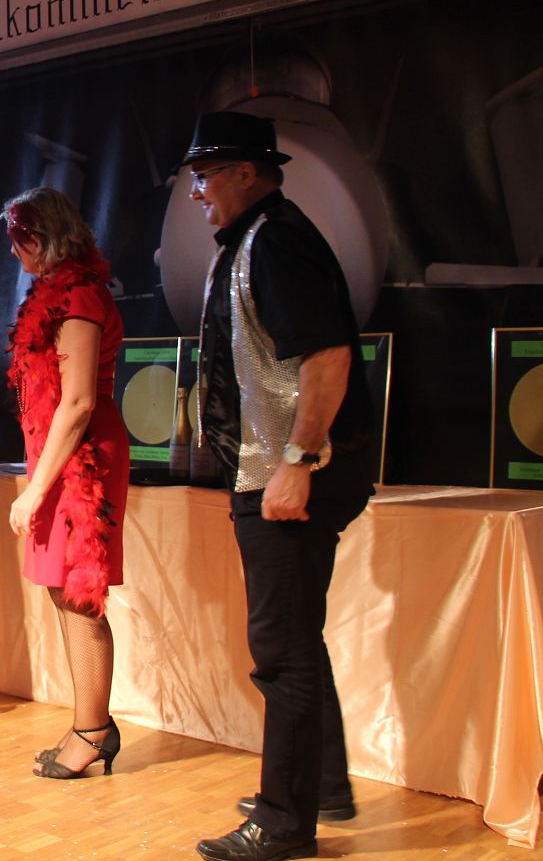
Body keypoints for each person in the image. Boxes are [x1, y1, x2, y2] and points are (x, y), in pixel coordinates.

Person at [180, 112, 377, 861]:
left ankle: (285, 821)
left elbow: (328, 355)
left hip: (290, 473)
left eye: (206, 176)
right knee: (294, 636)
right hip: (271, 470)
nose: (197, 192)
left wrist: (297, 460)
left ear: (247, 173)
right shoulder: (254, 241)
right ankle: (321, 786)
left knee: (281, 648)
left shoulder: (277, 242)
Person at [1, 188, 130, 778]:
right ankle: (89, 722)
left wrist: (35, 490)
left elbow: (77, 403)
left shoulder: (80, 294)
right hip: (55, 454)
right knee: (62, 590)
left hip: (83, 461)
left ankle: (93, 731)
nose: (14, 251)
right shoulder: (50, 293)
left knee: (79, 592)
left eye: (20, 239)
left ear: (44, 236)